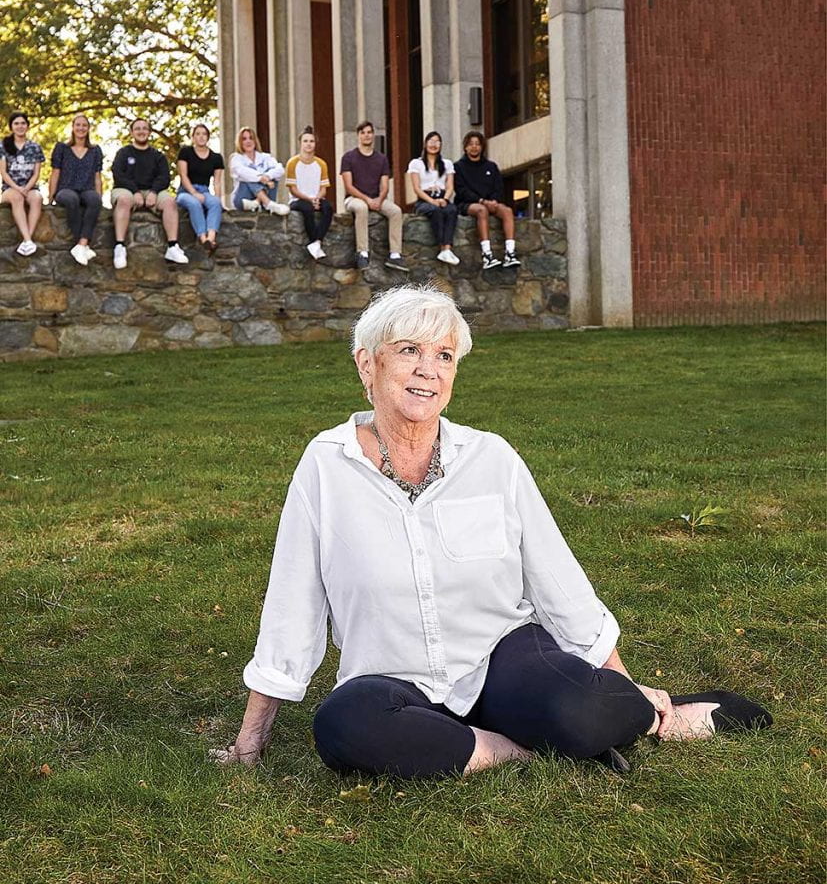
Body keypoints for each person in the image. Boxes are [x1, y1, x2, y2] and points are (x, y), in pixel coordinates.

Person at [215, 285, 772, 779]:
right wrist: (252, 737)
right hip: (392, 676)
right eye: (409, 351)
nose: (428, 370)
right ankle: (512, 749)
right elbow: (294, 601)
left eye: (444, 356)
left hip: (501, 655)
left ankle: (653, 717)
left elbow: (556, 576)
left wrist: (617, 684)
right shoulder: (326, 465)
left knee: (579, 710)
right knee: (343, 727)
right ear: (367, 366)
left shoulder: (491, 458)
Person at [111, 118, 189, 270]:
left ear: (149, 132)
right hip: (127, 189)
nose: (141, 131)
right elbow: (119, 175)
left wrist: (153, 192)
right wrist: (135, 192)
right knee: (124, 201)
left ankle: (173, 247)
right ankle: (119, 247)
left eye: (145, 128)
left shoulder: (158, 156)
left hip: (152, 190)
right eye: (138, 128)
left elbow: (164, 177)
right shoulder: (123, 153)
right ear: (132, 132)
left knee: (170, 202)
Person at [339, 120, 407, 272]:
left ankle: (395, 255)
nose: (366, 136)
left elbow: (385, 185)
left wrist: (379, 199)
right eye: (363, 133)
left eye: (369, 132)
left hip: (377, 199)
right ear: (358, 136)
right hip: (354, 199)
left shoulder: (381, 159)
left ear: (373, 135)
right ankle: (362, 253)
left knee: (396, 211)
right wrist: (368, 200)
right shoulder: (348, 158)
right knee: (362, 208)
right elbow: (349, 186)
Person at [454, 131, 520, 270]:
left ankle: (510, 253)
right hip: (467, 204)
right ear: (465, 147)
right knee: (481, 210)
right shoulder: (458, 167)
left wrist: (494, 200)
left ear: (482, 147)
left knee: (507, 211)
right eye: (471, 144)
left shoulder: (491, 166)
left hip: (490, 202)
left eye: (477, 144)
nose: (474, 147)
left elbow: (498, 187)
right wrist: (482, 201)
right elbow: (461, 190)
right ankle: (487, 255)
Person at [48, 113, 104, 266]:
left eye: (84, 125)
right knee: (71, 199)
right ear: (73, 128)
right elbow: (55, 173)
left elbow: (97, 176)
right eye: (78, 125)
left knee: (94, 200)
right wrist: (51, 197)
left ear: (88, 129)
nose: (81, 128)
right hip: (65, 189)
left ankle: (81, 244)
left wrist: (100, 197)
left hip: (86, 189)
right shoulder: (62, 148)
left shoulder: (95, 151)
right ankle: (82, 245)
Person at [407, 132, 459, 266]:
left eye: (437, 142)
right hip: (425, 199)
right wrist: (432, 201)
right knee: (435, 211)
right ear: (425, 144)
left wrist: (445, 199)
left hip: (442, 197)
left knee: (452, 210)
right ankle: (442, 247)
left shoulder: (447, 164)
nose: (434, 144)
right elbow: (417, 188)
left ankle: (447, 249)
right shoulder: (416, 163)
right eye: (431, 141)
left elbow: (450, 186)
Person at [176, 124, 226, 254]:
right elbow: (183, 175)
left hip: (204, 190)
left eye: (204, 134)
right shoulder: (185, 152)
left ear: (208, 137)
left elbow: (217, 182)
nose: (201, 137)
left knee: (215, 203)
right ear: (193, 137)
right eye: (197, 134)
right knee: (194, 203)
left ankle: (211, 238)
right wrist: (193, 192)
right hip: (186, 190)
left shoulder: (216, 158)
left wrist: (218, 198)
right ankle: (203, 239)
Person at [285, 126, 333, 261]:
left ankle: (316, 242)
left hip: (316, 197)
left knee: (328, 208)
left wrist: (317, 198)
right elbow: (292, 189)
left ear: (315, 144)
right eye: (305, 141)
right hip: (297, 199)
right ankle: (314, 241)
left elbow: (324, 187)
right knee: (307, 208)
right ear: (300, 143)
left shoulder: (321, 164)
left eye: (311, 141)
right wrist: (309, 199)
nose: (308, 144)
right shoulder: (292, 163)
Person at [0, 111, 44, 257]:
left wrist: (26, 188)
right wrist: (18, 188)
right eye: (16, 123)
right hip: (10, 188)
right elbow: (4, 173)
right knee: (17, 198)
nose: (20, 126)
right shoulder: (4, 146)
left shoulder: (35, 147)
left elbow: (36, 173)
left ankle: (27, 242)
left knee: (37, 198)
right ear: (11, 127)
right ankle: (28, 240)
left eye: (23, 123)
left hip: (29, 187)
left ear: (27, 126)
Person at [229, 128, 288, 214]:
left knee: (272, 173)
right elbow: (242, 172)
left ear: (255, 141)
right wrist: (262, 178)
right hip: (243, 200)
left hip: (265, 195)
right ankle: (267, 203)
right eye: (244, 139)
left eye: (251, 138)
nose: (248, 141)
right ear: (240, 142)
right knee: (247, 176)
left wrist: (267, 176)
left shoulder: (265, 157)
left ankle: (258, 201)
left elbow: (280, 169)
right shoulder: (236, 158)